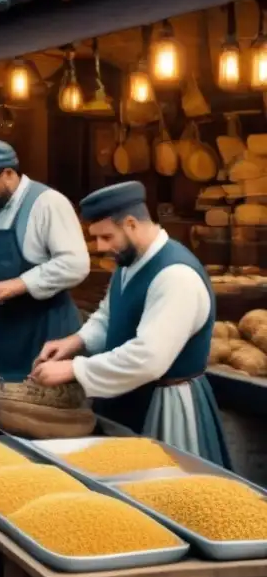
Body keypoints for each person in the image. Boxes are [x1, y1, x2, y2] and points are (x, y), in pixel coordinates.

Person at [33, 181, 230, 467]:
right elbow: (108, 316)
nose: (100, 247)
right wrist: (77, 342)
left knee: (165, 491)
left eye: (106, 237)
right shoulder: (129, 264)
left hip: (165, 406)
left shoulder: (175, 276)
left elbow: (149, 358)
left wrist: (73, 369)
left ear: (130, 224)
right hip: (127, 398)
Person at [0, 139, 88, 382]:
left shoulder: (48, 203)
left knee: (42, 410)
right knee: (1, 407)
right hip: (1, 334)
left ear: (8, 174)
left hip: (44, 333)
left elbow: (76, 264)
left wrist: (19, 284)